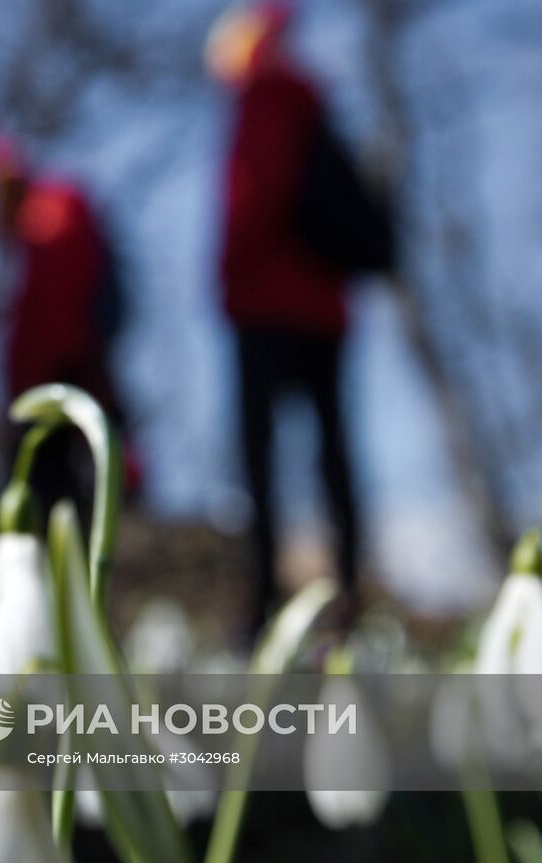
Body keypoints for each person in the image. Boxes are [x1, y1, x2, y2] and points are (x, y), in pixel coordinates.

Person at [209, 2, 391, 637]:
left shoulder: (264, 99)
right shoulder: (314, 101)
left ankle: (262, 604)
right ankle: (346, 597)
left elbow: (253, 198)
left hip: (263, 304)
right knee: (333, 454)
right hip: (325, 311)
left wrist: (226, 278)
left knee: (261, 460)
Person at [0, 135, 136, 517]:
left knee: (56, 465)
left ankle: (86, 526)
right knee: (68, 464)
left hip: (60, 367)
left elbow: (52, 308)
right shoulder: (37, 220)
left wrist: (29, 380)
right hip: (65, 361)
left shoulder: (44, 216)